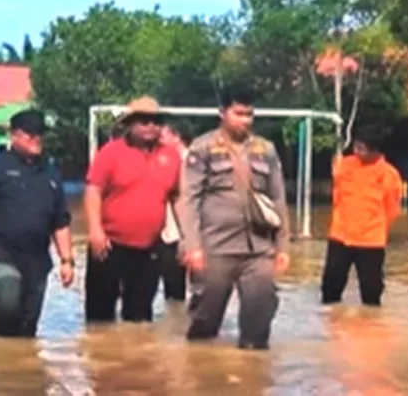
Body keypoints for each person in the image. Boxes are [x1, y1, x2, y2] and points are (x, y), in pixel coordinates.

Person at [176, 86, 290, 350]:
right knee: (205, 325)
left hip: (258, 250)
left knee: (259, 324)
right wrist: (193, 247)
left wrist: (282, 246)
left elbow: (278, 199)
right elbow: (188, 199)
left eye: (249, 114)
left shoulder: (266, 150)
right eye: (239, 114)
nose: (245, 120)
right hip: (215, 248)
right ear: (222, 113)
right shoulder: (202, 148)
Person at [0, 109, 75, 337]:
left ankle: (19, 368)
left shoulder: (50, 174)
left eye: (40, 133)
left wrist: (67, 260)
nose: (36, 138)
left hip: (37, 261)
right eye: (29, 133)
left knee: (28, 324)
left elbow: (61, 221)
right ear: (14, 136)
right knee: (7, 301)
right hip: (0, 253)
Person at [84, 96, 181, 323]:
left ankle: (135, 358)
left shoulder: (171, 156)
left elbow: (178, 198)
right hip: (109, 245)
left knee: (139, 318)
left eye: (156, 121)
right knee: (100, 318)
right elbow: (93, 191)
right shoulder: (110, 152)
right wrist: (95, 231)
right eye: (144, 121)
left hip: (149, 249)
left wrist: (187, 238)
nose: (150, 126)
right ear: (130, 124)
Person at [321, 133, 402, 306]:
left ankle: (370, 329)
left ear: (375, 151)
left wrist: (377, 229)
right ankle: (331, 327)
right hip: (340, 235)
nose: (357, 152)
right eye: (355, 147)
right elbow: (337, 196)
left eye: (362, 149)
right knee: (330, 288)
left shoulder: (389, 175)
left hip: (371, 240)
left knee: (371, 292)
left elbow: (392, 209)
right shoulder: (344, 165)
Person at [158, 122, 192, 301]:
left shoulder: (195, 164)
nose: (158, 141)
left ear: (176, 136)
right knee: (173, 295)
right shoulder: (160, 162)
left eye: (162, 137)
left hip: (190, 237)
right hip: (168, 236)